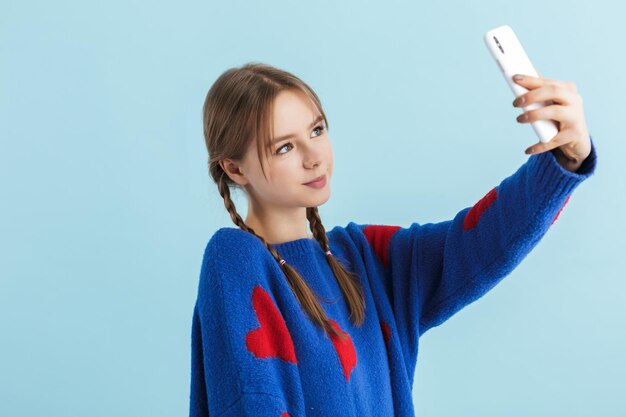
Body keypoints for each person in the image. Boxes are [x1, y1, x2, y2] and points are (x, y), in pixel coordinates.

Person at [189, 62, 597, 417]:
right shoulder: (237, 259)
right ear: (234, 169)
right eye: (284, 147)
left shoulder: (364, 258)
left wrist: (564, 159)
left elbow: (477, 242)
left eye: (316, 130)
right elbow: (250, 401)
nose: (313, 156)